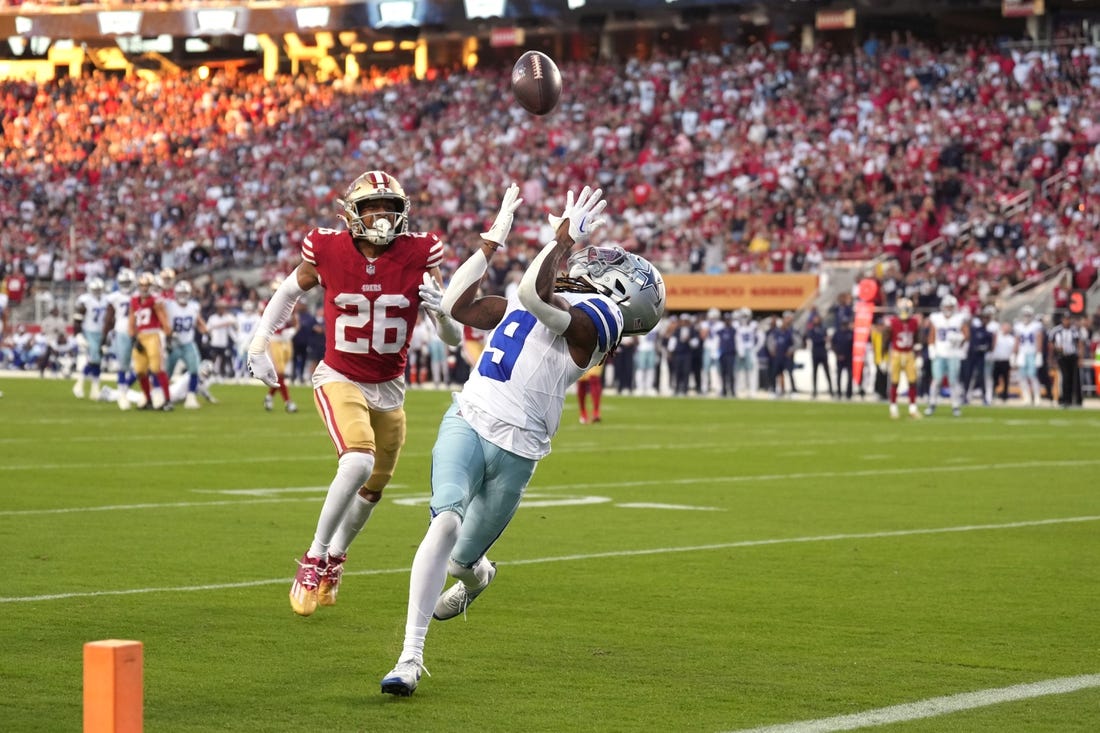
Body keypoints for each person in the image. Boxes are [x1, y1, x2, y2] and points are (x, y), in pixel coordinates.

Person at [380, 185, 666, 697]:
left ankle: (476, 576)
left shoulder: (602, 321)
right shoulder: (552, 291)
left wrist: (559, 238)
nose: (598, 262)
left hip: (518, 451)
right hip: (469, 417)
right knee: (443, 522)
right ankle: (410, 656)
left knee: (459, 562)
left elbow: (535, 296)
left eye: (614, 268)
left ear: (626, 295)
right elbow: (457, 304)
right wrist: (492, 241)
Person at [246, 169, 463, 617]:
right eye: (371, 208)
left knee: (374, 485)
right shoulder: (326, 248)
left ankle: (336, 557)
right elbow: (287, 293)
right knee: (358, 459)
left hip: (391, 385)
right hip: (339, 374)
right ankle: (313, 555)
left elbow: (455, 340)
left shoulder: (420, 253)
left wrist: (442, 315)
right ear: (352, 213)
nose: (381, 216)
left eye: (389, 207)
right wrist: (259, 342)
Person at [129, 272, 174, 411]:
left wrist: (168, 336)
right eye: (142, 285)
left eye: (146, 285)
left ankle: (167, 400)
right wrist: (133, 338)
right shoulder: (134, 300)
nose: (144, 288)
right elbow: (132, 320)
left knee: (157, 368)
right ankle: (147, 399)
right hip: (141, 336)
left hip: (154, 335)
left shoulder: (156, 300)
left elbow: (164, 319)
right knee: (140, 370)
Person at [163, 280, 209, 409]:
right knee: (168, 372)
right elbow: (163, 320)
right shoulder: (169, 305)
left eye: (185, 293)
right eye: (180, 293)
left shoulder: (193, 306)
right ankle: (163, 396)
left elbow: (198, 320)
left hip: (188, 342)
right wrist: (167, 337)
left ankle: (191, 397)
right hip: (174, 343)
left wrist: (205, 330)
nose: (183, 295)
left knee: (195, 369)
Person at [924, 294, 969, 417]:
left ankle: (955, 406)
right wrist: (931, 349)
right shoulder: (936, 318)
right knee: (936, 380)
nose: (948, 309)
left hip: (954, 354)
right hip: (939, 353)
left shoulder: (959, 318)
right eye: (947, 306)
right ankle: (932, 404)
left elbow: (966, 335)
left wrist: (959, 338)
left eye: (951, 307)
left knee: (953, 381)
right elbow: (932, 335)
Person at [104, 268, 137, 410]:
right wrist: (105, 336)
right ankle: (122, 395)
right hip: (122, 332)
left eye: (128, 282)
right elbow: (109, 319)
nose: (126, 284)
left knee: (141, 368)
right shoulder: (114, 297)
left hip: (138, 333)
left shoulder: (138, 295)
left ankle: (121, 391)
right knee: (123, 365)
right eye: (124, 282)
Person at [72, 277, 109, 400]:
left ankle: (94, 388)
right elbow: (77, 319)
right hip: (89, 331)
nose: (98, 292)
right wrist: (78, 334)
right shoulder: (85, 300)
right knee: (94, 359)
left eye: (99, 289)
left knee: (97, 361)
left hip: (101, 332)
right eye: (95, 289)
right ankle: (80, 384)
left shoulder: (106, 299)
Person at [884, 297, 921, 419]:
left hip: (909, 353)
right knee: (895, 382)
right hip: (897, 353)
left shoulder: (914, 322)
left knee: (912, 381)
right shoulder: (893, 322)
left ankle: (913, 408)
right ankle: (893, 407)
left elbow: (917, 338)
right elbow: (886, 339)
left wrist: (919, 353)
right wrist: (884, 357)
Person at [1049, 311, 1086, 407]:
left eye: (1068, 319)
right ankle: (1066, 400)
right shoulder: (1056, 331)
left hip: (1073, 356)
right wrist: (1053, 357)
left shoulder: (1074, 330)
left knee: (1075, 379)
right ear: (1062, 320)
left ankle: (1077, 400)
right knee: (1065, 378)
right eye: (1065, 319)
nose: (1067, 321)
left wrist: (1080, 358)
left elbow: (1080, 344)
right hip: (1062, 357)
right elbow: (1051, 346)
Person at [1013, 305, 1045, 406]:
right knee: (1022, 376)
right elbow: (1017, 341)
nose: (1026, 317)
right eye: (1025, 315)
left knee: (1032, 375)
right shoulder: (1018, 326)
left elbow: (1039, 339)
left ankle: (1037, 396)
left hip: (1032, 352)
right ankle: (1026, 396)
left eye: (1028, 315)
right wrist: (1014, 353)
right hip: (1022, 353)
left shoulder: (1036, 325)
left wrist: (1039, 353)